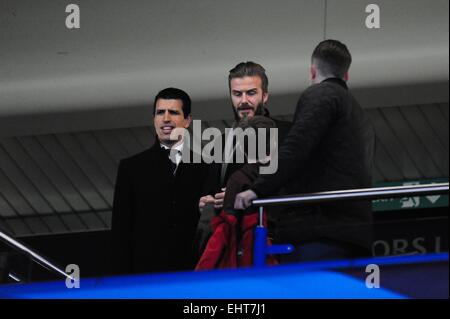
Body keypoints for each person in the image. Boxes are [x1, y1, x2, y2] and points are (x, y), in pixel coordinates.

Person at [234, 40, 376, 261]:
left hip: (318, 231)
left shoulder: (320, 95)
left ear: (312, 71)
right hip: (355, 234)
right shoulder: (360, 114)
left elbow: (297, 147)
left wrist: (257, 190)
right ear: (346, 74)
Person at [195, 62, 292, 255]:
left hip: (280, 244)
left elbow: (299, 190)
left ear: (265, 95)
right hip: (234, 248)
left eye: (251, 93)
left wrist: (237, 195)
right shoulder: (220, 144)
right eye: (237, 94)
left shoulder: (290, 135)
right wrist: (207, 203)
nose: (244, 101)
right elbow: (209, 194)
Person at [111, 87, 209, 274]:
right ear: (154, 119)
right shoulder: (131, 168)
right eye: (160, 112)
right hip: (145, 276)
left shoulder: (205, 167)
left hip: (193, 273)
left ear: (187, 120)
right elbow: (120, 231)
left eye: (173, 112)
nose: (165, 118)